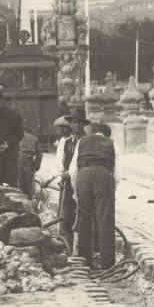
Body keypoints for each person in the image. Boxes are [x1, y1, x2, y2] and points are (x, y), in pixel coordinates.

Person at [70, 121, 116, 269]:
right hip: (104, 175)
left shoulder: (81, 142)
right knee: (105, 219)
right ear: (105, 134)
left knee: (83, 218)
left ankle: (85, 261)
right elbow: (118, 172)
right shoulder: (111, 143)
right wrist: (111, 191)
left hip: (83, 175)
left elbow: (73, 170)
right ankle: (107, 263)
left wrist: (76, 192)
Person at [47, 115, 78, 248]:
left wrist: (68, 173)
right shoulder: (64, 142)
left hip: (76, 178)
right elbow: (60, 162)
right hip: (67, 181)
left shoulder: (78, 141)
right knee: (65, 211)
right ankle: (66, 241)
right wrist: (60, 176)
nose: (61, 131)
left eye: (63, 128)